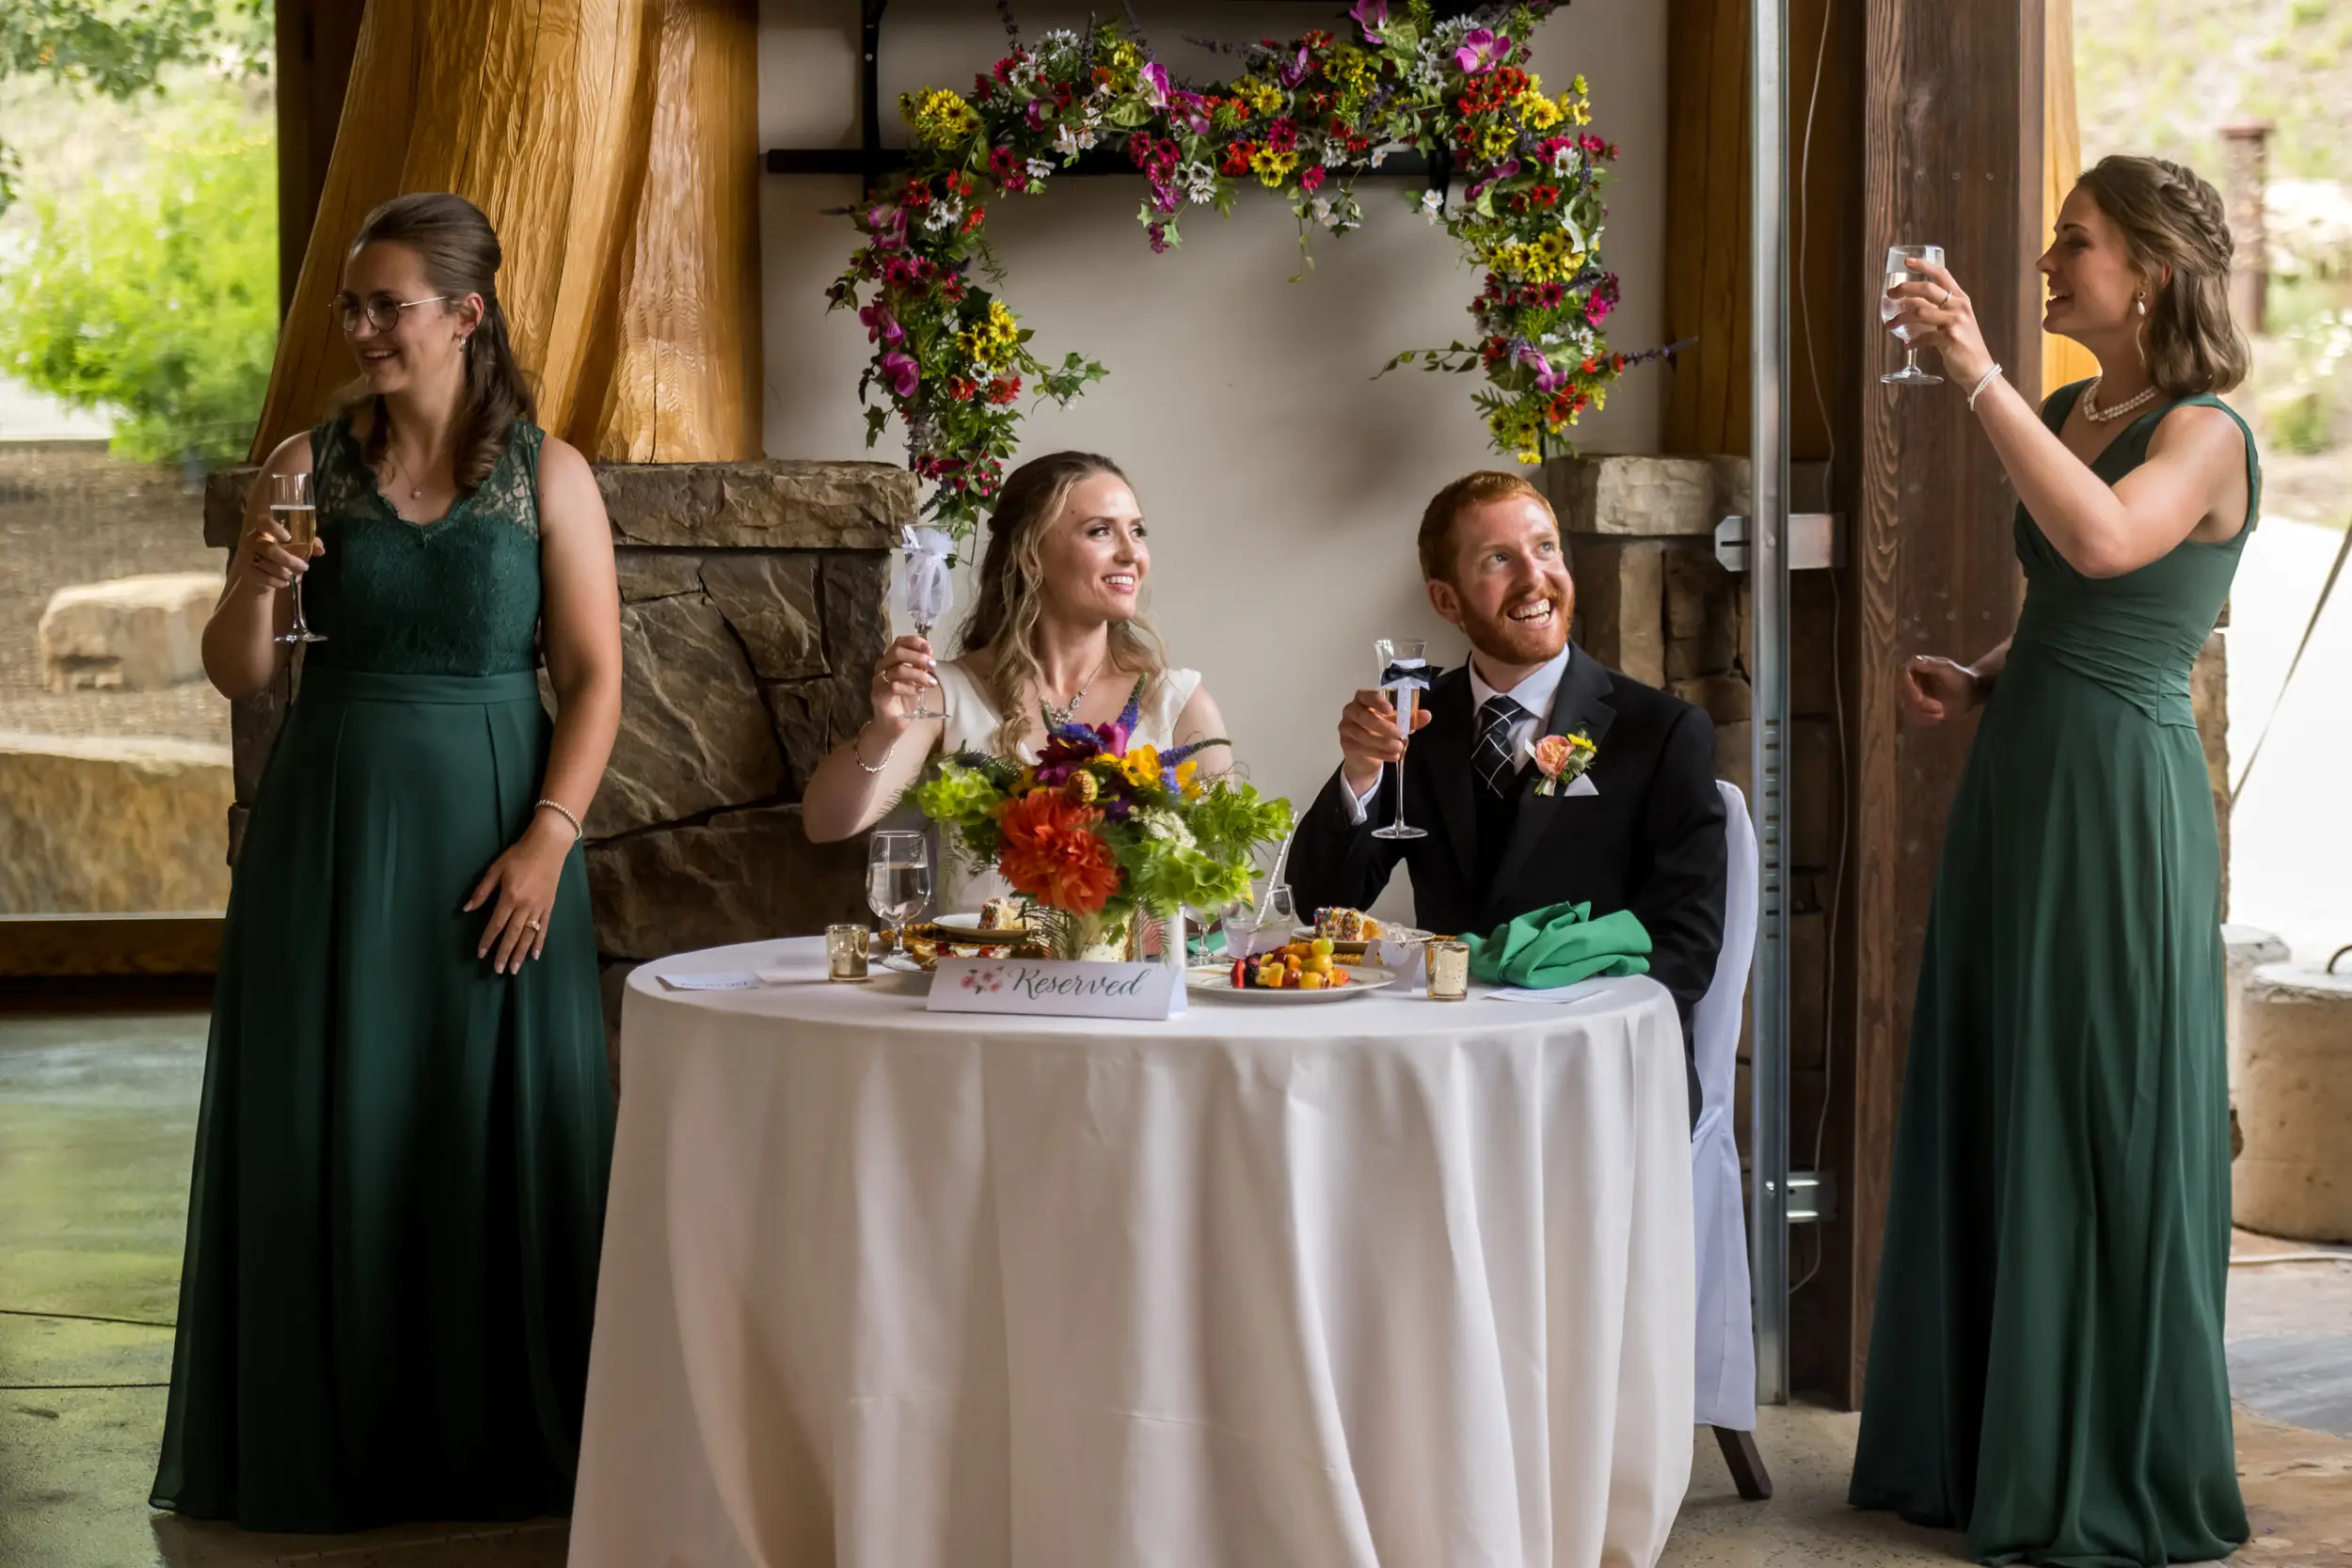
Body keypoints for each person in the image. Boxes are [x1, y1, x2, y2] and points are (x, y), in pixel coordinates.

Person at [154, 193, 622, 1531]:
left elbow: (593, 678)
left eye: (386, 303)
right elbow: (241, 674)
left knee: (486, 1123)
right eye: (351, 304)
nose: (359, 326)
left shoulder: (551, 473)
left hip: (501, 827)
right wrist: (253, 582)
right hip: (335, 827)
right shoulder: (306, 463)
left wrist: (549, 837)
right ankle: (329, 1440)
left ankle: (503, 1446)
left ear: (465, 315)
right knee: (329, 1118)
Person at [1849, 155, 2257, 1565]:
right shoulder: (2091, 405)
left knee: (2093, 1094)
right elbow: (2079, 601)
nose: (2046, 263)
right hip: (2024, 768)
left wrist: (1970, 369)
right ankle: (1982, 1439)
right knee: (2003, 1077)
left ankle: (2103, 1457)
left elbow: (2104, 537)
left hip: (2117, 799)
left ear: (2147, 269)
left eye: (2073, 244)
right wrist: (1984, 675)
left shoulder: (2207, 431)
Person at [1287, 470, 1727, 1116]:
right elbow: (1317, 903)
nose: (1534, 578)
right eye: (1499, 559)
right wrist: (1360, 772)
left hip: (1595, 1078)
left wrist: (1551, 1022)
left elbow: (1684, 950)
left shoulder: (1660, 732)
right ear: (1446, 600)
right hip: (1442, 1071)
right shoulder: (1415, 719)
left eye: (1545, 548)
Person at [803, 451, 1231, 905]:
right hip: (980, 975)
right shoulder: (948, 693)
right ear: (1031, 556)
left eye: (1137, 531)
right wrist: (884, 731)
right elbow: (825, 824)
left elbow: (1216, 899)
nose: (1132, 554)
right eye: (1100, 531)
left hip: (1128, 975)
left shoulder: (1179, 704)